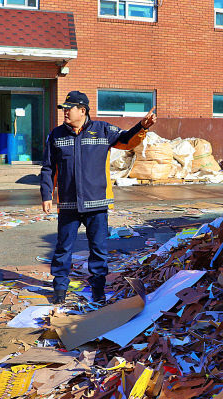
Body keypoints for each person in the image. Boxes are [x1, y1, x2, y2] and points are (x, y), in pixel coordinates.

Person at [41, 90, 157, 304]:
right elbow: (48, 168)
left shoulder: (102, 130)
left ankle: (97, 289)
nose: (65, 112)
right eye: (64, 109)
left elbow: (126, 140)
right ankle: (59, 289)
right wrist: (47, 194)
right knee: (63, 248)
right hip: (68, 204)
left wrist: (142, 126)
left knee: (98, 249)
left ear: (82, 110)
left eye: (69, 108)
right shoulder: (56, 135)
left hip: (97, 203)